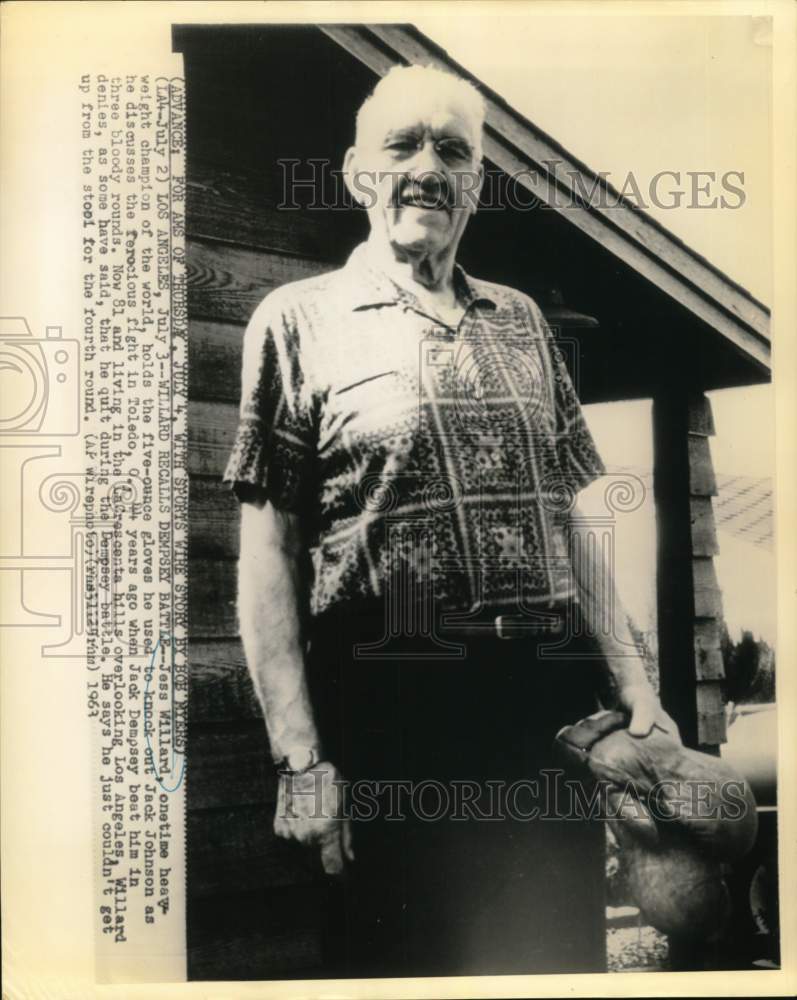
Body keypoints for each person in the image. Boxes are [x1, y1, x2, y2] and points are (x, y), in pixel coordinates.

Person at [223, 64, 674, 978]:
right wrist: (301, 758)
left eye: (453, 150)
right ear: (357, 172)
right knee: (404, 963)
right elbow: (268, 552)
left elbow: (570, 518)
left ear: (476, 182)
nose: (428, 167)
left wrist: (636, 685)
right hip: (387, 699)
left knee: (551, 957)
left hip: (534, 707)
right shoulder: (295, 320)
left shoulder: (521, 321)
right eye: (403, 145)